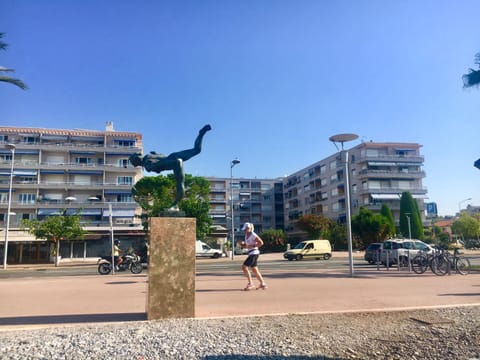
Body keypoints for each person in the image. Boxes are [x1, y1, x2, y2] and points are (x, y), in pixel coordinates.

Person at [129, 124, 211, 208]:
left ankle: (175, 204)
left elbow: (158, 166)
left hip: (173, 162)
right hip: (172, 156)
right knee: (196, 150)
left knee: (180, 183)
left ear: (138, 161)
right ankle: (201, 134)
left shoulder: (147, 165)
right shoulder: (151, 154)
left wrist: (158, 167)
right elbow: (160, 156)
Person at [240, 222, 267, 290]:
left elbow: (261, 243)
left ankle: (251, 283)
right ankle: (263, 284)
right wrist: (242, 245)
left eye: (245, 229)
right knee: (254, 269)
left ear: (249, 228)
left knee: (244, 267)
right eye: (244, 230)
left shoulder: (253, 235)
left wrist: (252, 246)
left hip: (254, 253)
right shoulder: (246, 235)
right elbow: (247, 246)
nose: (244, 231)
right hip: (251, 253)